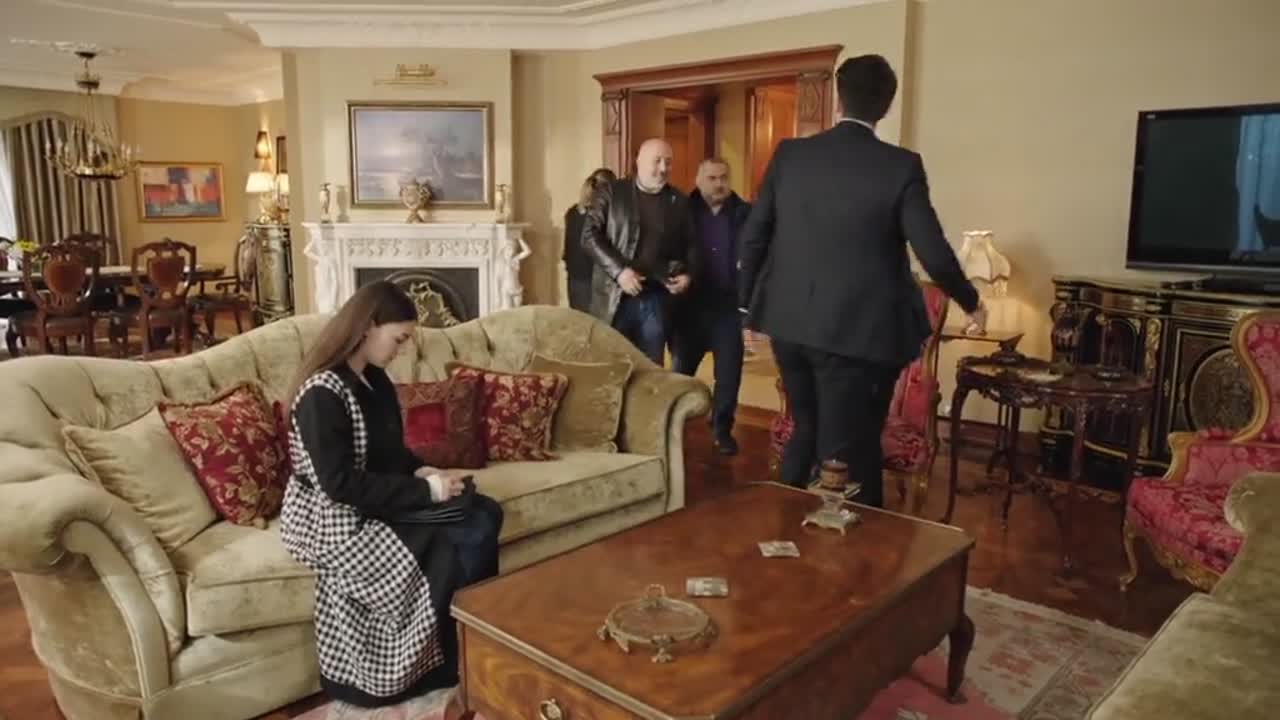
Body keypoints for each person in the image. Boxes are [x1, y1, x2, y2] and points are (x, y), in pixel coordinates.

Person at [738, 54, 987, 508]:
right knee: (848, 449)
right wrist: (971, 300)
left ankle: (784, 525)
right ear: (886, 106)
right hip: (857, 333)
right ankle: (857, 535)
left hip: (789, 324)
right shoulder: (900, 166)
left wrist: (745, 309)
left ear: (838, 99)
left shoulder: (790, 155)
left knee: (807, 429)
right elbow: (932, 251)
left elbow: (754, 235)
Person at [279, 280, 504, 707]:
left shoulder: (375, 381)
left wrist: (422, 471)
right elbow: (339, 485)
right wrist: (426, 490)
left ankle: (475, 641)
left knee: (486, 511)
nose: (402, 349)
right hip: (332, 518)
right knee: (463, 535)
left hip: (370, 498)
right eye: (399, 339)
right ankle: (446, 659)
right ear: (368, 327)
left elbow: (389, 452)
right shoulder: (322, 395)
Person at [581, 138, 700, 364]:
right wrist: (620, 272)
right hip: (614, 297)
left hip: (655, 299)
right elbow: (589, 236)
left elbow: (691, 245)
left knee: (650, 370)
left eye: (668, 162)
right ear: (639, 161)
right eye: (657, 161)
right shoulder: (611, 192)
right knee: (611, 366)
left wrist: (687, 274)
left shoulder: (678, 201)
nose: (663, 168)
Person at [671, 158, 752, 455]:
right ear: (698, 180)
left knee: (729, 373)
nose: (719, 184)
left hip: (727, 306)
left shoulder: (744, 213)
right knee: (681, 372)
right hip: (690, 306)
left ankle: (721, 428)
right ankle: (672, 426)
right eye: (712, 178)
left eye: (723, 177)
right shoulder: (681, 211)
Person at [564, 168, 617, 313]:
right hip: (595, 280)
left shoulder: (572, 212)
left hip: (574, 278)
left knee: (579, 322)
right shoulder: (602, 215)